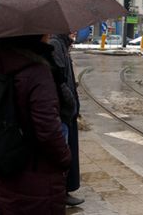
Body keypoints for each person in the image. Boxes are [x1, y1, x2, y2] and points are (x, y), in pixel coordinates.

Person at [0, 35, 71, 214]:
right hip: (37, 174)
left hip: (7, 166)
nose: (49, 37)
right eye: (45, 33)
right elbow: (48, 129)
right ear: (35, 36)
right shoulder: (38, 72)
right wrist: (65, 157)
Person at [49, 33, 84, 206]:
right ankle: (60, 193)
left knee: (65, 154)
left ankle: (63, 191)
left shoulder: (63, 44)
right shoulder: (56, 44)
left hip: (66, 111)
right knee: (61, 157)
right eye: (71, 29)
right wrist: (70, 101)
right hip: (62, 112)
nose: (74, 32)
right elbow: (60, 81)